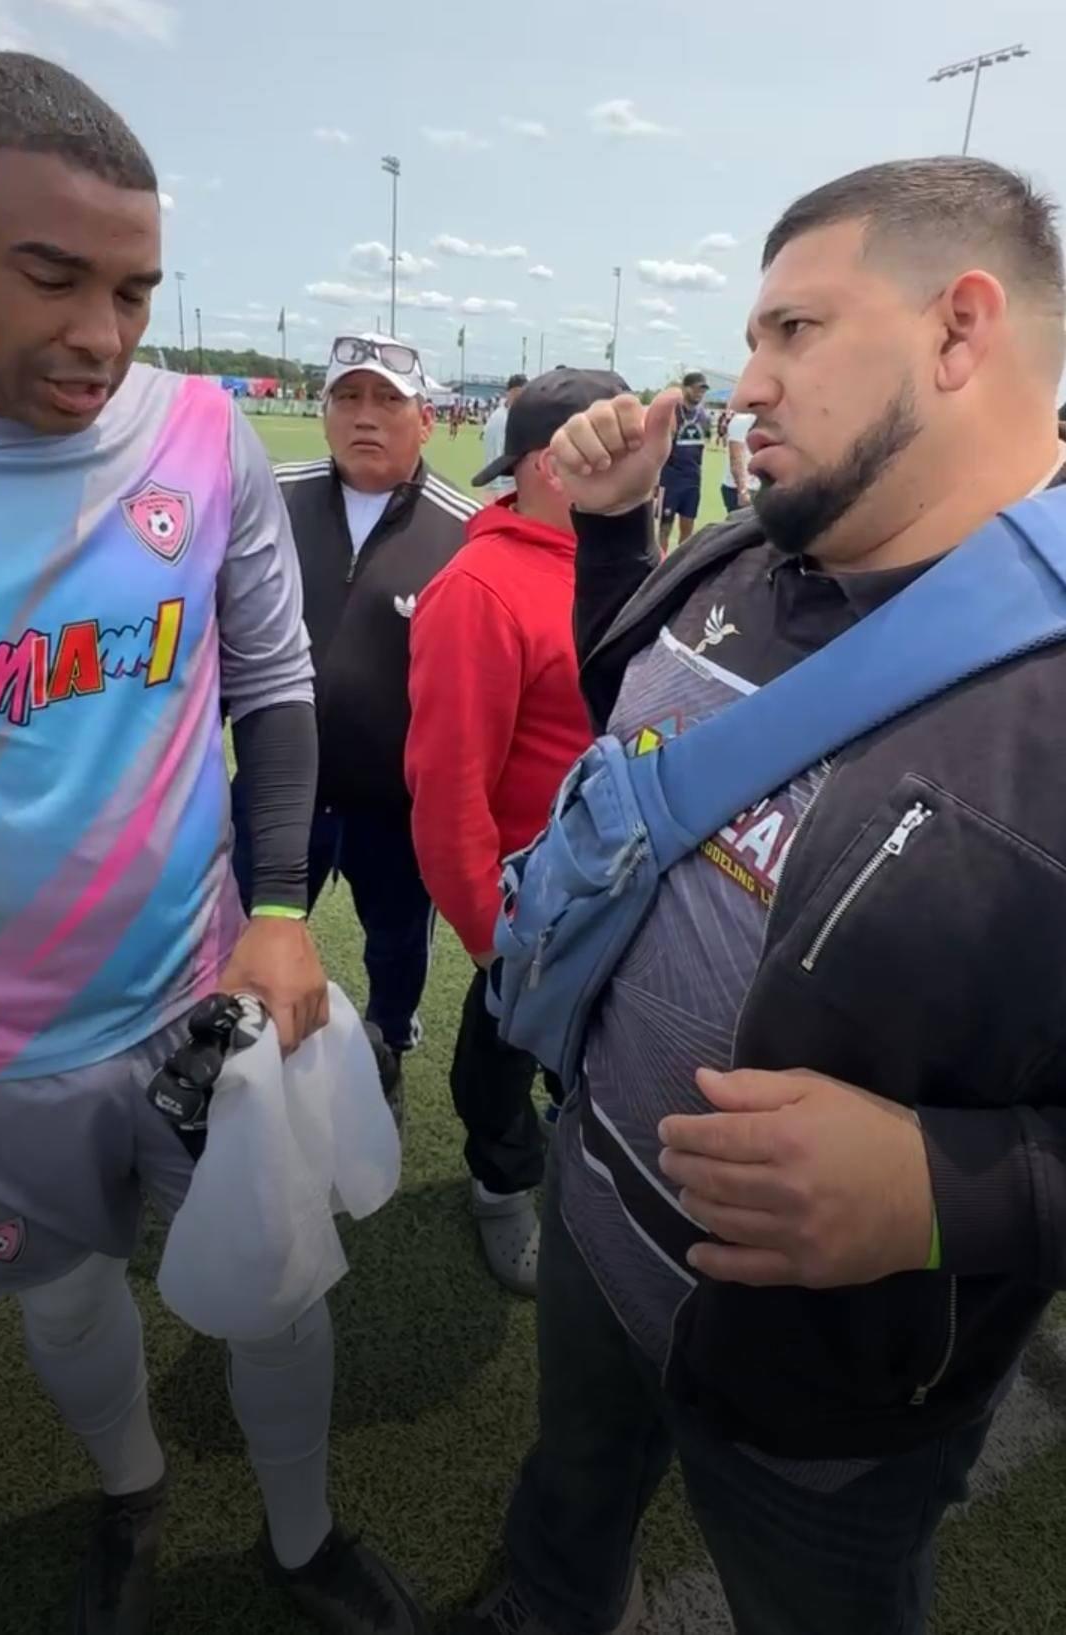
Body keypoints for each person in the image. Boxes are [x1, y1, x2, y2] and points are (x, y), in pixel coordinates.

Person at [457, 156, 1066, 1635]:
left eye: (794, 330)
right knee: (566, 1499)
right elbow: (652, 757)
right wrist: (613, 538)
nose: (746, 380)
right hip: (599, 1214)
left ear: (960, 330)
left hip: (832, 1387)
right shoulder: (748, 542)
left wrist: (948, 1183)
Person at [0, 53, 426, 1635]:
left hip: (200, 997)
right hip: (5, 1056)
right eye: (53, 277)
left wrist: (290, 904)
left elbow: (277, 679)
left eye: (135, 288)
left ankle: (301, 1535)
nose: (103, 333)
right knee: (62, 1293)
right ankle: (129, 1486)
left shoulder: (198, 438)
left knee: (277, 1279)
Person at [405, 372, 622, 1293]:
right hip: (532, 900)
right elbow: (447, 782)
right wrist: (493, 932)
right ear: (553, 466)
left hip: (622, 883)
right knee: (502, 1053)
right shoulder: (482, 586)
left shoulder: (620, 563)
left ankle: (576, 1170)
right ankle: (502, 1184)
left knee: (598, 1060)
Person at [234, 333, 478, 1106]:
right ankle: (245, 1071)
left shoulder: (468, 530)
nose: (364, 416)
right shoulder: (270, 496)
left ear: (427, 419)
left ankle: (387, 1056)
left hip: (396, 809)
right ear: (326, 410)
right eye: (348, 397)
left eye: (387, 400)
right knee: (247, 941)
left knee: (397, 947)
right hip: (277, 797)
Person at [657, 369, 709, 553]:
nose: (700, 393)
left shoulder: (704, 416)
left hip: (693, 479)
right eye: (696, 389)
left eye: (703, 390)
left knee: (688, 528)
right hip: (670, 479)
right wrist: (656, 481)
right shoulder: (674, 412)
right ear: (685, 389)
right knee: (665, 527)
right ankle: (660, 568)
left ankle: (680, 570)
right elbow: (660, 447)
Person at [481, 373, 528, 497]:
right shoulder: (501, 419)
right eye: (516, 392)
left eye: (523, 393)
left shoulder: (514, 416)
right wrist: (498, 492)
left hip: (511, 486)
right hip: (501, 488)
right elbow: (495, 455)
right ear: (509, 393)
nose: (520, 397)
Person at [720, 403, 755, 512]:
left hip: (759, 488)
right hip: (739, 489)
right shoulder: (742, 420)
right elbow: (736, 457)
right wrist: (742, 490)